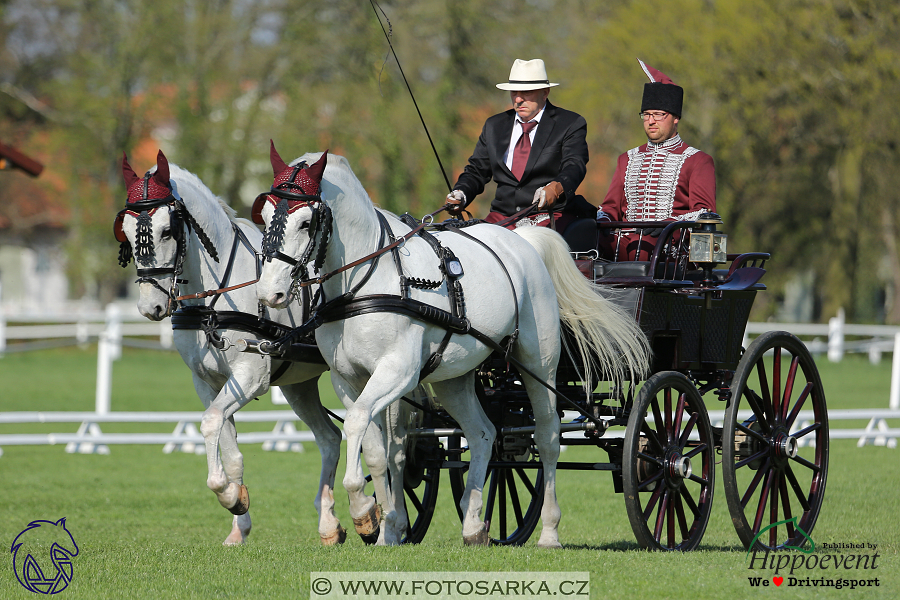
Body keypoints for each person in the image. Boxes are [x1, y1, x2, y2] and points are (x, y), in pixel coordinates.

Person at [445, 58, 593, 232]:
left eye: (526, 92)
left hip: (549, 216)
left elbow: (574, 165)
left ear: (545, 92)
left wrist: (557, 187)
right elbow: (477, 170)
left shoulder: (570, 123)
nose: (518, 99)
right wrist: (461, 193)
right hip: (501, 217)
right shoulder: (494, 125)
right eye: (514, 92)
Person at [597, 59, 716, 260]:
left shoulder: (698, 160)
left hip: (672, 247)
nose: (651, 121)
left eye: (659, 115)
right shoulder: (626, 159)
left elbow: (703, 212)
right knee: (582, 243)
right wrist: (598, 221)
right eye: (646, 114)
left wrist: (667, 225)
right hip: (625, 241)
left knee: (642, 247)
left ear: (675, 117)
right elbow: (610, 207)